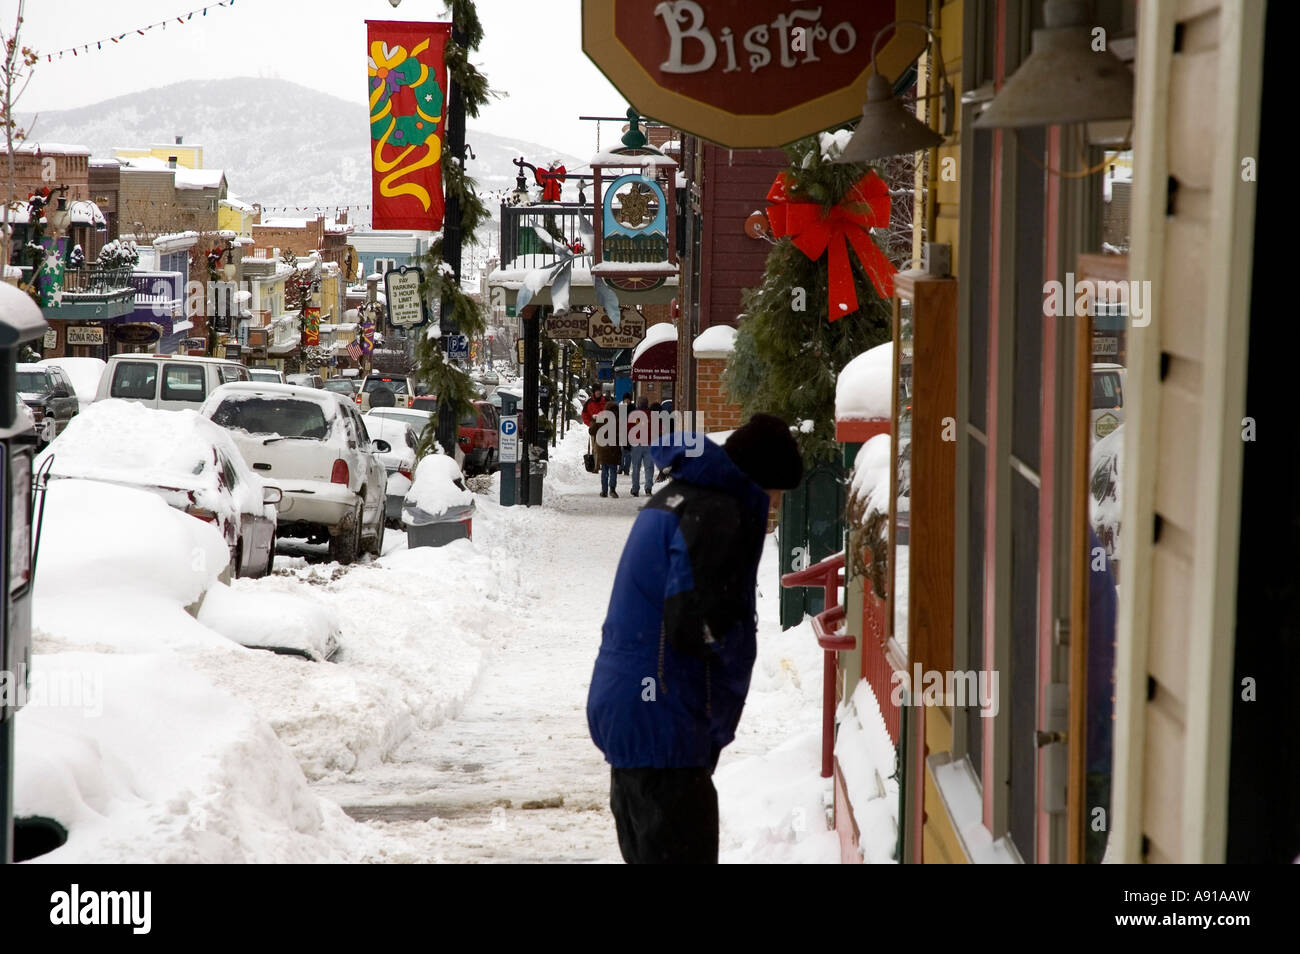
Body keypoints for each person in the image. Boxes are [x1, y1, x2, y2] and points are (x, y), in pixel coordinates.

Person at [587, 413, 804, 863]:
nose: (776, 505)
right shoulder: (715, 512)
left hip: (637, 718)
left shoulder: (677, 498)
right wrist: (731, 639)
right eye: (777, 492)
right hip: (665, 728)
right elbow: (695, 622)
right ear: (759, 479)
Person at [589, 406, 623, 498]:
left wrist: (593, 421)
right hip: (614, 449)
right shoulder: (618, 420)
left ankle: (604, 491)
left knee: (604, 470)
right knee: (613, 470)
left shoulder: (600, 419)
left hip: (603, 449)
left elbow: (591, 431)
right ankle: (612, 489)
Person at [627, 396, 654, 497]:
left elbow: (628, 429)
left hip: (636, 444)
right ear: (647, 404)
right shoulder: (651, 415)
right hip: (649, 444)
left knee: (636, 467)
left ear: (638, 404)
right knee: (649, 467)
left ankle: (635, 489)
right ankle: (648, 488)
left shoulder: (633, 415)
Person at [619, 394, 635, 474]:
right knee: (621, 451)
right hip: (623, 431)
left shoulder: (633, 408)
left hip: (631, 432)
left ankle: (627, 469)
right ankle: (621, 467)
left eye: (628, 399)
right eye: (625, 399)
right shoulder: (621, 408)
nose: (627, 401)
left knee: (628, 452)